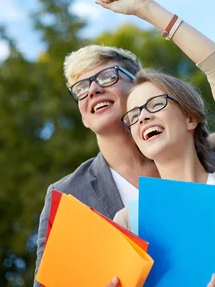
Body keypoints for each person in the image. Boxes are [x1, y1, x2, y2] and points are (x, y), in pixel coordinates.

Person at [96, 0, 215, 287]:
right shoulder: (128, 221)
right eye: (133, 115)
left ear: (190, 117)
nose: (143, 116)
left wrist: (146, 9)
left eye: (154, 104)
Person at [33, 45, 160, 286]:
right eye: (81, 88)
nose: (93, 89)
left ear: (138, 89)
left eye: (107, 76)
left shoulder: (195, 157)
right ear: (83, 115)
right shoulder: (67, 195)